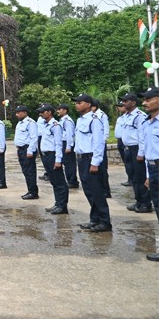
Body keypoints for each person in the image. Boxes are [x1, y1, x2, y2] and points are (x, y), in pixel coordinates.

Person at [73, 93, 111, 232]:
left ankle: (105, 222)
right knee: (89, 191)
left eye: (79, 102)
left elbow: (98, 142)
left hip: (90, 159)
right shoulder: (80, 120)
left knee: (97, 191)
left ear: (88, 104)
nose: (77, 105)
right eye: (76, 102)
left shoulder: (95, 120)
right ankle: (95, 219)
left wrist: (95, 162)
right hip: (82, 158)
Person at [137, 86, 159, 261]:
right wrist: (148, 175)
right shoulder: (147, 123)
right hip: (153, 169)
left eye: (149, 99)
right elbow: (148, 153)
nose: (144, 103)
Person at [120, 93, 151, 213]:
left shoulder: (140, 116)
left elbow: (143, 136)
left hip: (136, 149)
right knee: (133, 177)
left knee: (140, 176)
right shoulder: (126, 116)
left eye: (125, 101)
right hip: (128, 149)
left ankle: (145, 203)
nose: (123, 103)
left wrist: (141, 153)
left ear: (133, 102)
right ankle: (139, 200)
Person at [38, 104, 68, 214]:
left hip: (53, 155)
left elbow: (58, 144)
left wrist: (58, 160)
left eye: (43, 111)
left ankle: (63, 205)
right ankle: (58, 203)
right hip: (46, 156)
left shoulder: (55, 126)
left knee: (60, 182)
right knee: (54, 181)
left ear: (49, 112)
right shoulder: (46, 125)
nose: (41, 114)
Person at [13, 105, 39, 200]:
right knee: (26, 172)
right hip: (21, 150)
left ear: (24, 113)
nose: (17, 114)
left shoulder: (30, 123)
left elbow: (34, 137)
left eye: (18, 112)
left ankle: (33, 192)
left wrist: (30, 150)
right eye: (16, 112)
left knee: (30, 172)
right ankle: (30, 190)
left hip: (27, 149)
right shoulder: (20, 123)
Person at [91, 100, 111, 197]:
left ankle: (106, 191)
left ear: (94, 107)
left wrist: (103, 141)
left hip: (100, 144)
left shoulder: (102, 115)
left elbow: (106, 130)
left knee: (102, 168)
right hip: (94, 145)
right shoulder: (91, 116)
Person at [56, 104, 78, 189]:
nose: (58, 111)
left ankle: (72, 181)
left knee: (69, 163)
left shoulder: (67, 121)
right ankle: (70, 180)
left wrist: (69, 146)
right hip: (63, 142)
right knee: (66, 162)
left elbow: (69, 134)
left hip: (67, 143)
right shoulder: (62, 120)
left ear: (65, 110)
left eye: (60, 109)